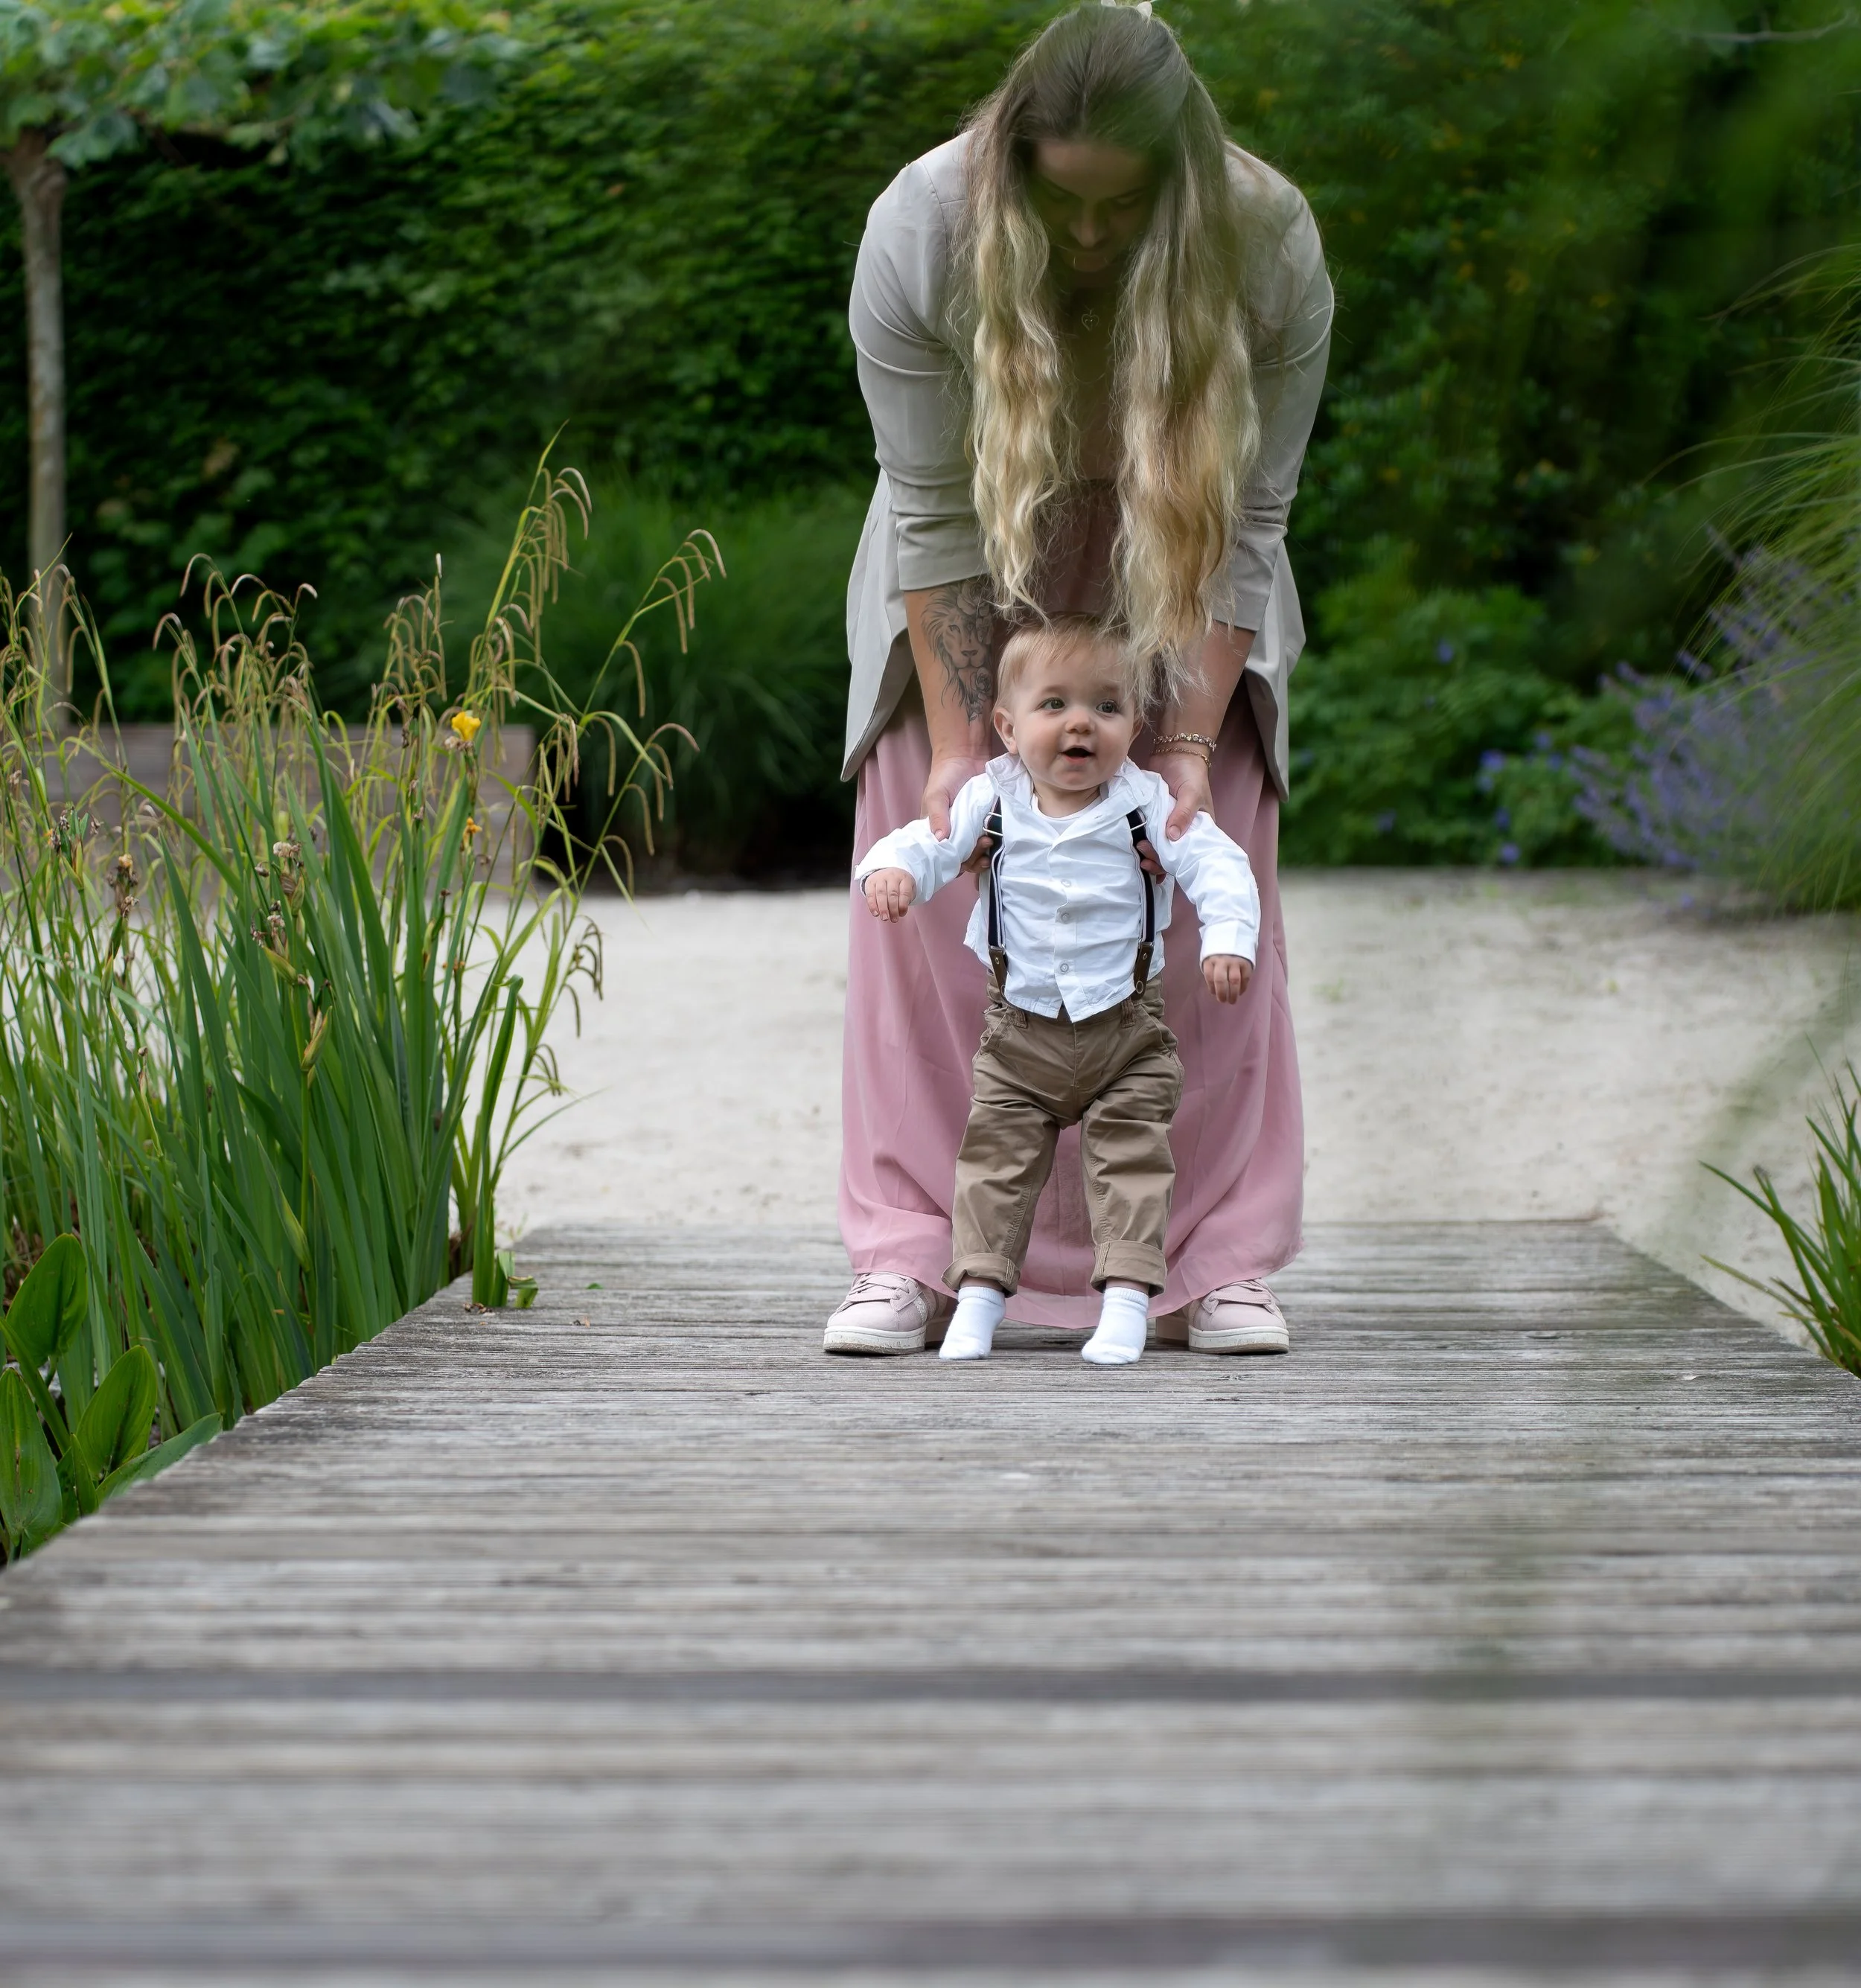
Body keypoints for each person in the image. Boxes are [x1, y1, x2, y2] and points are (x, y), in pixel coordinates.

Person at [829, 0, 1332, 1355]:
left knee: (1202, 865)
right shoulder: (924, 228)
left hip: (1188, 567)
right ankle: (916, 1254)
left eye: (1126, 210)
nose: (1096, 239)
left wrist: (1181, 752)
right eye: (1067, 208)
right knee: (928, 864)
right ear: (1013, 165)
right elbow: (932, 509)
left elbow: (1255, 519)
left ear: (1186, 178)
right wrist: (952, 741)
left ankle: (1210, 1260)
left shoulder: (1267, 240)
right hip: (971, 560)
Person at [855, 616, 1259, 1366]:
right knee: (994, 1164)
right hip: (1018, 1034)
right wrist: (896, 869)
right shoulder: (993, 797)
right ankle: (977, 1298)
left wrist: (1228, 939)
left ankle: (1127, 1304)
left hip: (1125, 1033)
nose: (1081, 722)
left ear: (1134, 724)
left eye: (1106, 707)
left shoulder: (1145, 801)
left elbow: (1217, 863)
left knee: (1132, 1163)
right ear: (1007, 727)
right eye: (1055, 706)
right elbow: (932, 838)